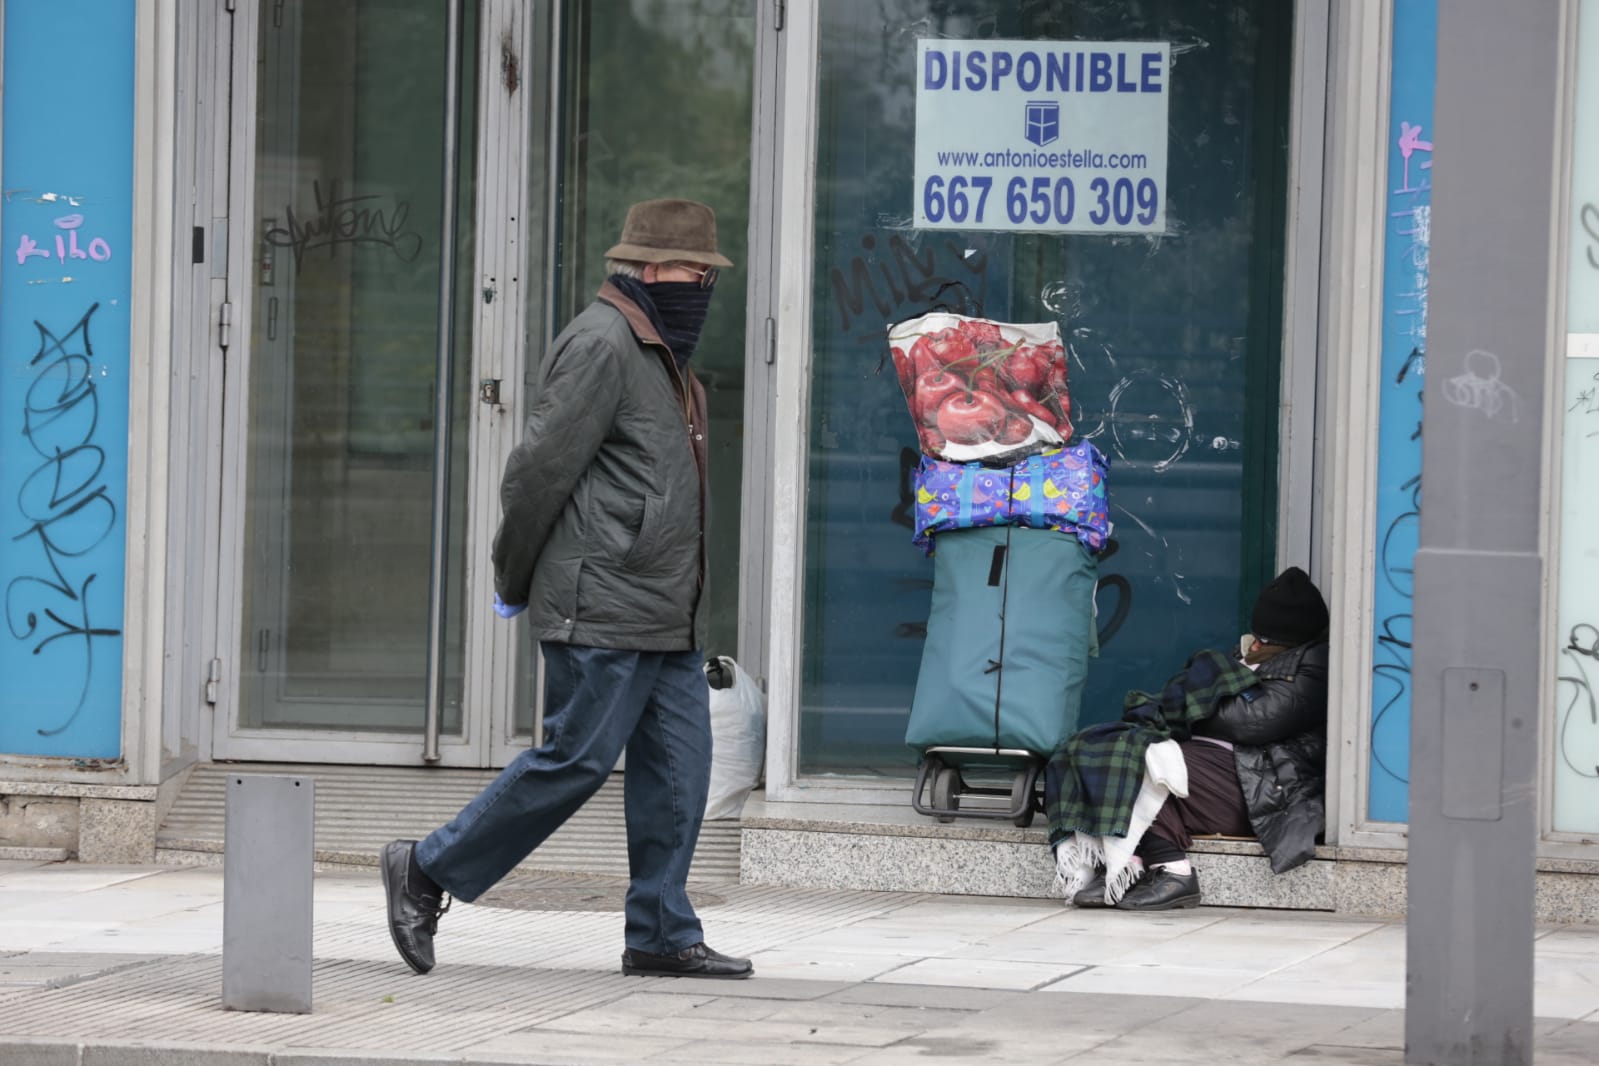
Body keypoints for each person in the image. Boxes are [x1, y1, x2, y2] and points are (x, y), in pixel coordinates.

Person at [381, 198, 752, 980]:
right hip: (602, 601)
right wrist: (513, 577)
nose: (703, 288)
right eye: (693, 273)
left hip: (667, 609)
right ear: (649, 269)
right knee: (575, 760)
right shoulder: (602, 344)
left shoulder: (663, 349)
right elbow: (537, 474)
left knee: (679, 773)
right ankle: (425, 867)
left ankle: (659, 932)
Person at [1049, 566, 1330, 911]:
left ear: (1291, 640)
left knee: (1140, 758)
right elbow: (1199, 697)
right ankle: (1129, 866)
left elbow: (1253, 722)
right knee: (1099, 746)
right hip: (1220, 775)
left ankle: (1174, 871)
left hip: (1263, 789)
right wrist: (1186, 706)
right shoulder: (1245, 658)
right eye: (1256, 635)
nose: (1256, 644)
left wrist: (1185, 709)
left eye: (1267, 640)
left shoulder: (1314, 664)